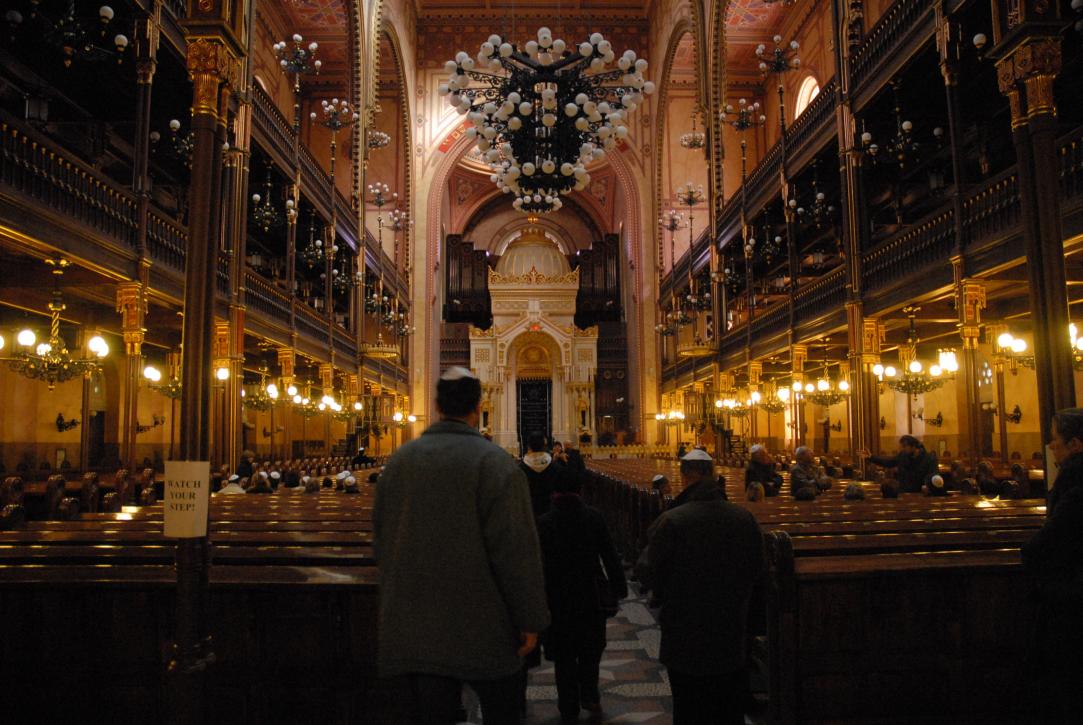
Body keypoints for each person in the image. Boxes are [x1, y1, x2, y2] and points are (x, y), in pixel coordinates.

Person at [374, 366, 549, 724]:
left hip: (417, 627)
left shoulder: (399, 463)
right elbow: (516, 551)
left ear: (437, 406)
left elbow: (383, 542)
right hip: (487, 627)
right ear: (478, 407)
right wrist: (530, 619)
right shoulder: (497, 464)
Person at [636, 448, 764, 724]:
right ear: (713, 475)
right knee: (729, 706)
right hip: (730, 630)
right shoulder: (744, 518)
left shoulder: (673, 519)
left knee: (689, 707)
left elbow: (646, 572)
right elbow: (758, 570)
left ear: (685, 477)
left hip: (685, 631)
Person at [536, 468, 627, 723]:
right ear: (580, 489)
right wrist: (618, 587)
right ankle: (589, 694)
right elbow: (609, 555)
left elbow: (536, 563)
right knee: (590, 649)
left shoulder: (544, 522)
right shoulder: (593, 517)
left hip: (557, 597)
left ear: (554, 491)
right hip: (590, 593)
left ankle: (568, 706)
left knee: (563, 655)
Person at [1021, 408, 1083, 723]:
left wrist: (1029, 552)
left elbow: (1057, 534)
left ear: (1075, 444)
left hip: (1070, 595)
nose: (1050, 445)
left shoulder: (1075, 482)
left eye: (1055, 439)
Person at [859, 435, 938, 493]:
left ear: (913, 446)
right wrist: (871, 457)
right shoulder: (903, 455)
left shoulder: (929, 459)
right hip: (904, 493)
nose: (902, 449)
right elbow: (888, 462)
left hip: (921, 494)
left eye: (904, 446)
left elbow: (933, 476)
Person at [520, 431, 567, 518]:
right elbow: (562, 487)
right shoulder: (554, 466)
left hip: (529, 509)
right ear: (544, 446)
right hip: (550, 508)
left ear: (529, 446)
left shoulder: (522, 467)